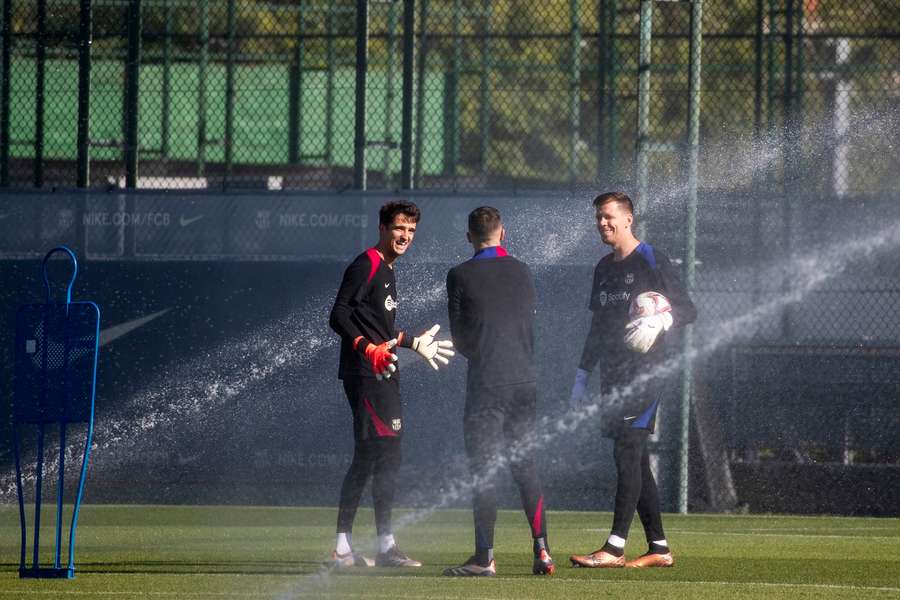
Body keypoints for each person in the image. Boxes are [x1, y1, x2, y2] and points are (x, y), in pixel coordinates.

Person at [568, 192, 696, 569]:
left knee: (627, 450)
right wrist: (581, 375)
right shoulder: (603, 268)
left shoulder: (652, 258)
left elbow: (688, 308)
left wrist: (661, 320)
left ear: (628, 220)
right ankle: (659, 548)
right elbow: (597, 327)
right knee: (633, 459)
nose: (602, 224)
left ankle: (614, 547)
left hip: (646, 374)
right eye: (598, 218)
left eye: (609, 217)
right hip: (613, 375)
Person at [327, 200, 455, 568]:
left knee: (384, 457)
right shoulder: (366, 263)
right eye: (400, 228)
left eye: (411, 231)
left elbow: (377, 326)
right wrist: (366, 348)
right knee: (373, 456)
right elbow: (338, 314)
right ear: (383, 228)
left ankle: (381, 546)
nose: (405, 236)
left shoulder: (388, 268)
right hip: (367, 375)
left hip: (383, 372)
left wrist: (411, 342)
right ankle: (346, 548)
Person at [442, 206, 554, 577]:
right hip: (525, 381)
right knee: (526, 467)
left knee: (484, 471)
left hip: (487, 383)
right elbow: (529, 328)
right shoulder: (522, 270)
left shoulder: (459, 275)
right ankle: (542, 551)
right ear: (503, 234)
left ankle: (484, 557)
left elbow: (460, 339)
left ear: (469, 237)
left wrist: (482, 353)